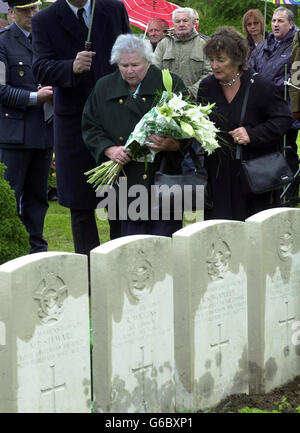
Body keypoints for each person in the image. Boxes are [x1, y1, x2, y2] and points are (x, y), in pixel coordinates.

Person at [31, 0, 131, 256]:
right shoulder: (45, 19)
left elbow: (131, 52)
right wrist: (70, 67)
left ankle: (121, 263)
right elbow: (40, 67)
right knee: (81, 204)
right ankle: (87, 273)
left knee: (120, 200)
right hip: (74, 126)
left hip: (116, 119)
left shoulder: (113, 8)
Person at [82, 34, 188, 237]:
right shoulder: (104, 87)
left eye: (135, 65)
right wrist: (108, 148)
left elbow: (190, 129)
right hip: (124, 181)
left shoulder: (169, 83)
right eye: (124, 65)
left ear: (148, 62)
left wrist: (173, 144)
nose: (129, 71)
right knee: (125, 243)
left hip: (162, 179)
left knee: (164, 240)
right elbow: (90, 126)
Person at [198, 26, 293, 221]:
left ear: (238, 59)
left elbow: (284, 119)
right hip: (218, 178)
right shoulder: (207, 87)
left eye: (221, 60)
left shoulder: (260, 86)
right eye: (212, 60)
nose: (214, 65)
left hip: (255, 179)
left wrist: (254, 134)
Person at [0, 0, 53, 254]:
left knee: (38, 198)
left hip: (44, 132)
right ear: (11, 13)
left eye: (35, 9)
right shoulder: (2, 42)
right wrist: (35, 98)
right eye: (25, 10)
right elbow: (0, 89)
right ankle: (11, 249)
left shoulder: (47, 38)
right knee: (11, 197)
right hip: (15, 135)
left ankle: (36, 249)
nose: (32, 15)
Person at [249, 7, 298, 174]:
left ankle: (290, 189)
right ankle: (269, 185)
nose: (276, 24)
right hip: (261, 108)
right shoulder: (263, 45)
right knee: (266, 150)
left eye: (281, 21)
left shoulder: (296, 46)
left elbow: (295, 78)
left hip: (285, 107)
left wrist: (265, 88)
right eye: (274, 20)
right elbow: (250, 68)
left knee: (286, 149)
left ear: (291, 24)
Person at [154, 7, 211, 99]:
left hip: (196, 101)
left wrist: (192, 91)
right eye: (178, 21)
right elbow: (155, 71)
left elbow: (210, 72)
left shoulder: (205, 44)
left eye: (185, 21)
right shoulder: (163, 44)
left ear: (193, 23)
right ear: (173, 24)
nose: (181, 24)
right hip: (166, 101)